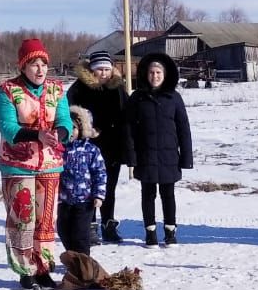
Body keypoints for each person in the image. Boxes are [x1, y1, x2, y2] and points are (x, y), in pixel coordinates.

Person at [0, 38, 73, 290]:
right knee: (22, 218)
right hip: (18, 164)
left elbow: (65, 122)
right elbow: (8, 128)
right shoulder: (8, 91)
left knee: (46, 219)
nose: (40, 69)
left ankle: (42, 268)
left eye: (43, 64)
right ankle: (25, 270)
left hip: (50, 164)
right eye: (33, 64)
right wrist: (36, 134)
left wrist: (58, 134)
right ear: (23, 66)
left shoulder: (56, 90)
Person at [126, 52, 193, 247]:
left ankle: (170, 231)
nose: (154, 76)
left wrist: (186, 157)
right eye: (151, 72)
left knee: (168, 194)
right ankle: (150, 233)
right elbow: (128, 128)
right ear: (146, 75)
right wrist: (131, 155)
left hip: (168, 155)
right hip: (145, 155)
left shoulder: (174, 97)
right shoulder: (137, 98)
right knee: (147, 195)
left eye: (158, 72)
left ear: (165, 75)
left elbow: (184, 128)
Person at [67, 52, 133, 243]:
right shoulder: (79, 88)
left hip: (112, 147)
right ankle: (90, 226)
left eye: (106, 69)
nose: (103, 73)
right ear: (92, 70)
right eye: (99, 70)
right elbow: (69, 112)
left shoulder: (118, 88)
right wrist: (85, 129)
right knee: (88, 188)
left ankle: (108, 224)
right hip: (87, 148)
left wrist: (128, 146)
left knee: (108, 188)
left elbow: (127, 116)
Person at [57, 106, 108, 256]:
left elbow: (100, 172)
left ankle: (84, 262)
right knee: (63, 230)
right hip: (64, 200)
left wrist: (99, 195)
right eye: (66, 127)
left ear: (81, 128)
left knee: (80, 234)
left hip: (85, 201)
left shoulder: (91, 150)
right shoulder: (59, 149)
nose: (70, 131)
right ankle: (73, 258)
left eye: (73, 127)